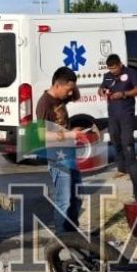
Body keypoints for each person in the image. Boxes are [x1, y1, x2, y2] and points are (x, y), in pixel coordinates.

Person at [36, 67, 84, 233]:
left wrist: (72, 85)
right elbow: (41, 135)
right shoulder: (44, 103)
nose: (71, 93)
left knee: (77, 195)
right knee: (64, 200)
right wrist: (70, 134)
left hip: (69, 153)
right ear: (57, 85)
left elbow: (77, 96)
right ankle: (61, 237)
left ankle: (72, 231)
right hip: (57, 156)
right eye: (68, 89)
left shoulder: (61, 98)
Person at [98, 54, 137, 201]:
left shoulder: (131, 73)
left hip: (126, 113)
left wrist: (124, 94)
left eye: (114, 68)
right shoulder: (107, 76)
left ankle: (132, 169)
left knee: (127, 142)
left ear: (120, 64)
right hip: (113, 115)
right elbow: (101, 88)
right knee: (115, 140)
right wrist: (101, 92)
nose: (112, 71)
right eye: (110, 68)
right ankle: (121, 168)